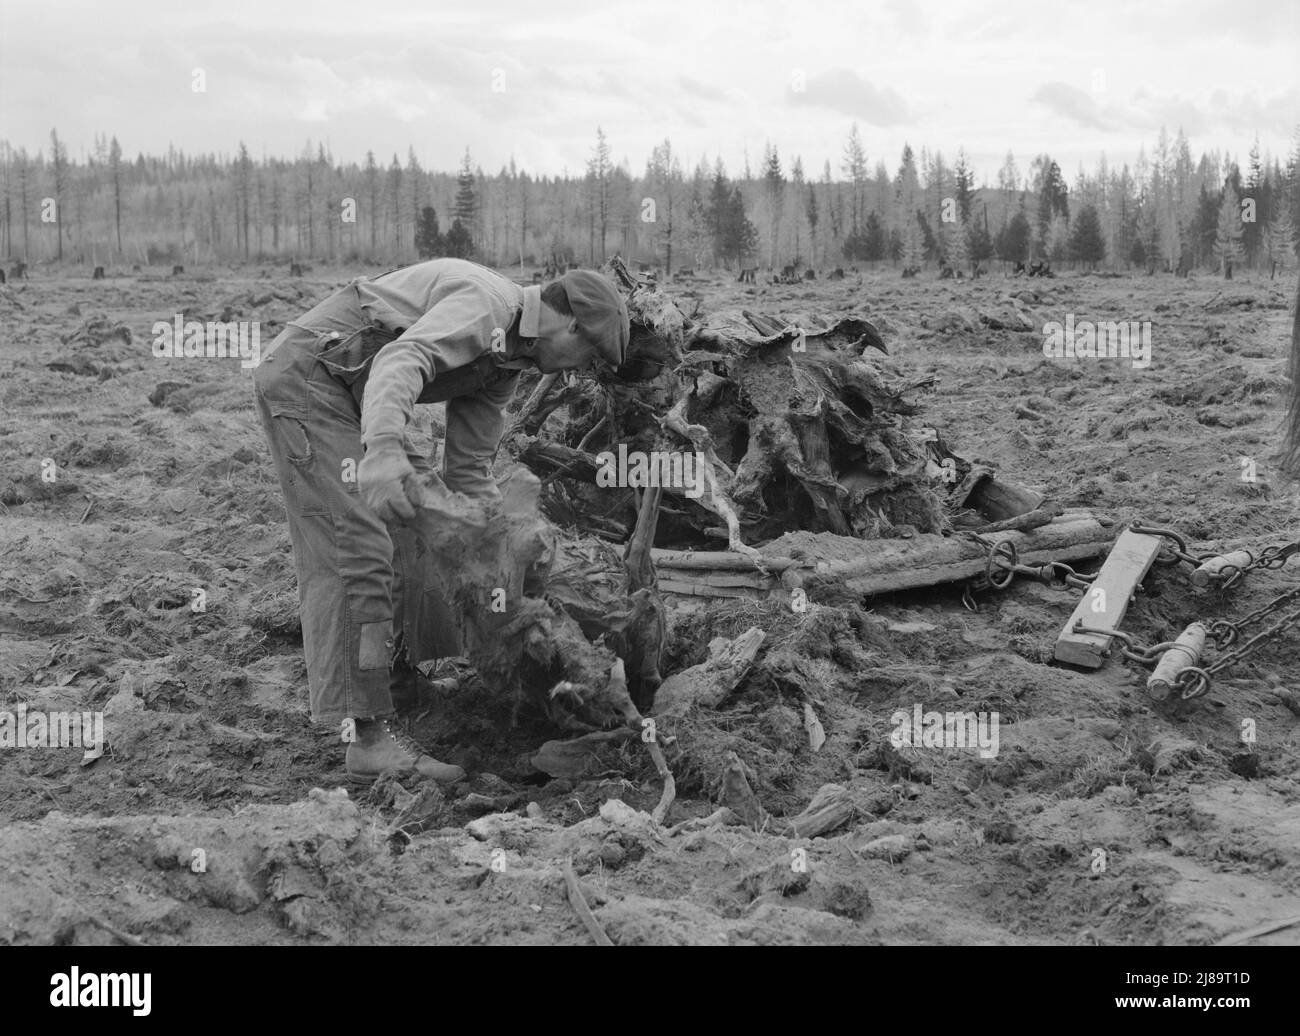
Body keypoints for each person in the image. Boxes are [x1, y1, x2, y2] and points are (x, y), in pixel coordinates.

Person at [252, 259, 629, 784]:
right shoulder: (489, 306)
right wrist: (382, 450)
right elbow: (400, 359)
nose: (574, 372)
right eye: (586, 355)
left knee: (421, 518)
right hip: (311, 378)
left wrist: (504, 543)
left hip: (355, 391)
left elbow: (469, 469)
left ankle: (399, 679)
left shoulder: (511, 360)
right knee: (359, 544)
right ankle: (366, 737)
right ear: (569, 325)